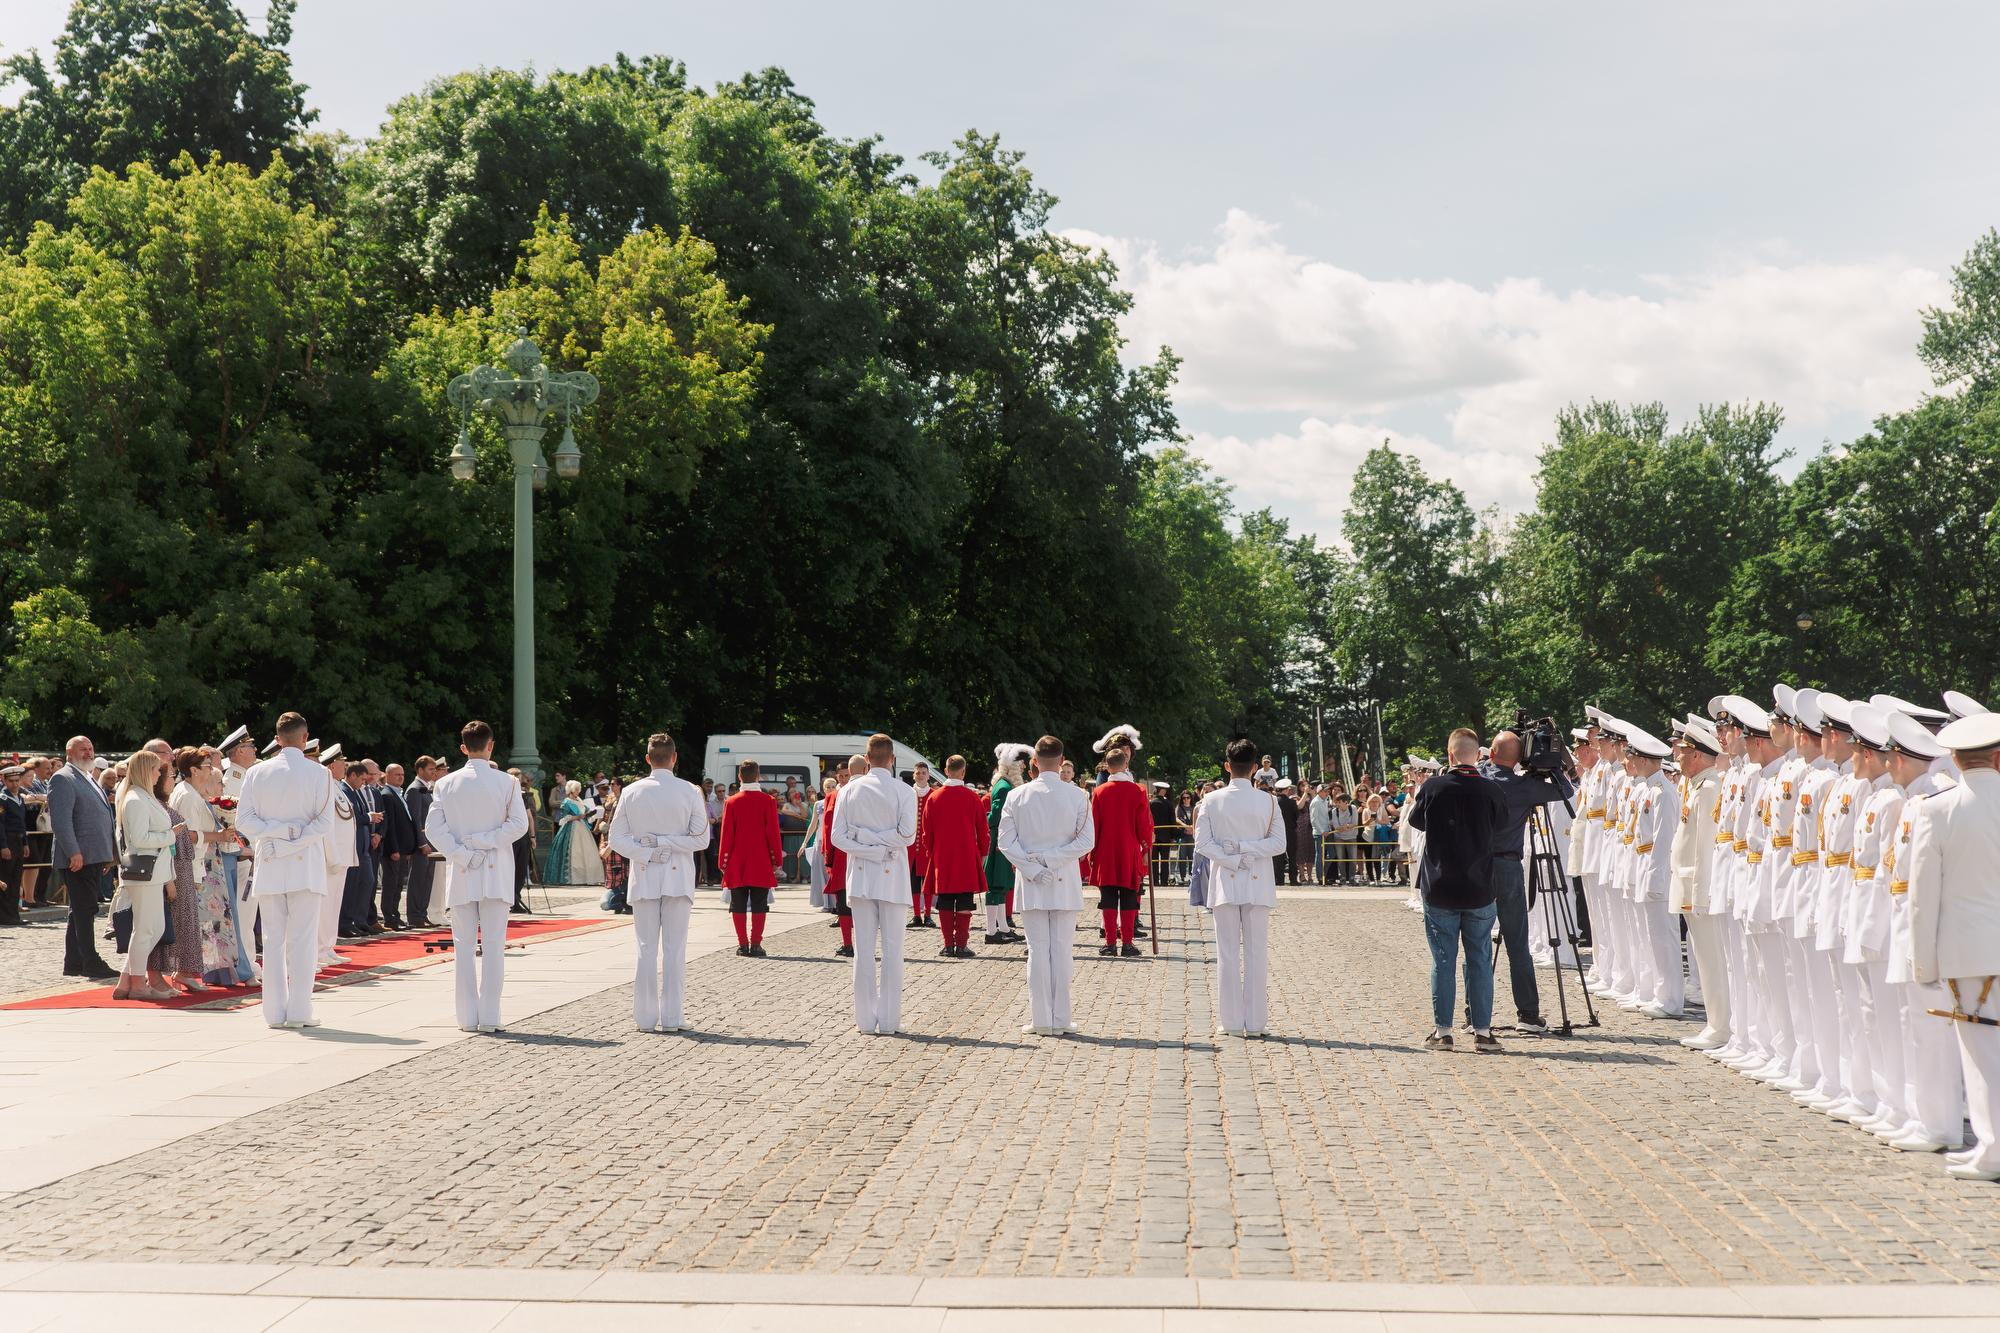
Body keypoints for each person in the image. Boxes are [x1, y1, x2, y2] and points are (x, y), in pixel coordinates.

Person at [1908, 710, 2000, 1180]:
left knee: (1982, 1055)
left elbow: (1923, 898)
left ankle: (1993, 1148)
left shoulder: (1937, 809)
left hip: (1971, 952)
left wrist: (1923, 963)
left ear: (1956, 760)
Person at [425, 721, 531, 1033]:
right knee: (495, 946)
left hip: (462, 870)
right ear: (491, 746)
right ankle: (490, 1016)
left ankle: (467, 1017)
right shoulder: (506, 783)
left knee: (464, 947)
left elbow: (433, 829)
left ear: (462, 748)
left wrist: (462, 850)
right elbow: (518, 825)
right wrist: (486, 841)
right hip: (494, 870)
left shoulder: (446, 784)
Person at [1408, 727, 1507, 1051]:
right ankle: (1482, 1030)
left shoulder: (1433, 787)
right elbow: (1501, 825)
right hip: (1479, 886)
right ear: (1477, 755)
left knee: (1443, 961)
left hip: (1441, 886)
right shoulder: (1490, 790)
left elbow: (1416, 822)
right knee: (1479, 959)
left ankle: (1443, 1031)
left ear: (1450, 755)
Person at [609, 733, 710, 1032]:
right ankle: (672, 1017)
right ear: (675, 757)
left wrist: (649, 851)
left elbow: (616, 839)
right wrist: (663, 847)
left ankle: (645, 1017)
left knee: (645, 947)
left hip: (645, 873)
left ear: (648, 759)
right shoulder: (689, 791)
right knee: (675, 948)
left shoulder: (632, 791)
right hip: (677, 875)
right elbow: (701, 839)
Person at [998, 735, 1095, 1036]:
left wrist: (1033, 865)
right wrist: (1052, 860)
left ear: (1035, 763)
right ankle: (1061, 1018)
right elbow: (1086, 841)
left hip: (1031, 879)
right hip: (1063, 878)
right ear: (1061, 759)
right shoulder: (1078, 796)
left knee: (1037, 950)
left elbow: (1004, 842)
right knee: (1062, 950)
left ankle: (1041, 1018)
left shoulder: (1017, 795)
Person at [1196, 738, 1291, 1037]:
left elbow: (1202, 844)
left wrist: (1233, 854)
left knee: (1226, 953)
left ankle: (1233, 1022)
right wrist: (1246, 853)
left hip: (1225, 879)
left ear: (1227, 766)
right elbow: (1278, 844)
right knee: (1256, 953)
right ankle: (1256, 1021)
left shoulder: (1211, 800)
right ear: (1254, 768)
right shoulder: (1269, 801)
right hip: (1258, 881)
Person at [831, 735, 918, 1033]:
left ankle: (866, 1021)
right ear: (892, 759)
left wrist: (866, 840)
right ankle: (890, 1020)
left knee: (864, 950)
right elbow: (906, 836)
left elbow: (838, 838)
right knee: (893, 951)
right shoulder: (904, 791)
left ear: (867, 759)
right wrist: (879, 847)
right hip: (891, 873)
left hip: (861, 874)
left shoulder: (848, 790)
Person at [48, 735, 118, 979]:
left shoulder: (88, 777)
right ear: (69, 753)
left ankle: (74, 962)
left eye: (90, 748)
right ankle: (91, 961)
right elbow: (61, 821)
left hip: (94, 855)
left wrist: (108, 853)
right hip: (79, 857)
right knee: (86, 909)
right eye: (82, 749)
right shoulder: (63, 778)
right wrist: (73, 851)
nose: (88, 753)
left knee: (79, 909)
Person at [1088, 727, 1152, 958]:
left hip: (1105, 850)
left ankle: (1110, 943)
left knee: (1107, 897)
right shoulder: (1138, 791)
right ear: (1125, 764)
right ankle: (1127, 943)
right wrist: (1146, 847)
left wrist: (1092, 852)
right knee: (1127, 896)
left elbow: (1094, 825)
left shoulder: (1099, 792)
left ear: (1107, 766)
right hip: (1129, 850)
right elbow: (1144, 826)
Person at [921, 754, 989, 958]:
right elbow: (983, 831)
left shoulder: (933, 797)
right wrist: (982, 853)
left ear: (946, 771)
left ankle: (948, 945)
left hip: (941, 856)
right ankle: (961, 945)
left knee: (945, 901)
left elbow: (926, 833)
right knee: (965, 902)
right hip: (967, 856)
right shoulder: (973, 797)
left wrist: (932, 852)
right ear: (964, 771)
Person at [719, 759, 783, 956]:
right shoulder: (768, 801)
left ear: (739, 776)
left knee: (737, 905)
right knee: (759, 903)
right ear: (758, 776)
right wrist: (776, 860)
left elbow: (726, 834)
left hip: (737, 861)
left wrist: (723, 861)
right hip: (761, 860)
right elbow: (772, 832)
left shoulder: (731, 802)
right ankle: (756, 944)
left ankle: (742, 945)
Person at [984, 744, 1031, 943]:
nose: (1022, 767)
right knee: (995, 884)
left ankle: (1002, 927)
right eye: (1020, 763)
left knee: (1002, 885)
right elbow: (995, 817)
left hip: (1002, 838)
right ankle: (991, 931)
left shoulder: (1004, 785)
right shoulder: (1004, 787)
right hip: (999, 840)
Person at [375, 762, 418, 929]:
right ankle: (389, 917)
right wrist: (393, 849)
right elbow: (390, 825)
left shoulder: (398, 794)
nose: (400, 777)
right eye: (396, 775)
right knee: (390, 884)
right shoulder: (387, 794)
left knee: (399, 884)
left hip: (403, 848)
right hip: (394, 849)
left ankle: (396, 915)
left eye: (402, 774)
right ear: (387, 776)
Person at [543, 780, 607, 886]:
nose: (578, 791)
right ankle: (574, 878)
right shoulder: (567, 802)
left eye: (579, 789)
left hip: (582, 827)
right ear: (571, 790)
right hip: (571, 828)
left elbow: (585, 813)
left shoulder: (580, 800)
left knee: (587, 852)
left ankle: (587, 877)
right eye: (576, 789)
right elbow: (563, 818)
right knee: (574, 852)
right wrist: (577, 817)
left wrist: (591, 813)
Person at [404, 757, 443, 928]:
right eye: (430, 769)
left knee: (427, 879)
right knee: (418, 880)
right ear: (420, 770)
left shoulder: (425, 788)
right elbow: (416, 818)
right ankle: (415, 916)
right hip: (422, 844)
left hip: (430, 842)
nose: (433, 772)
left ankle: (422, 913)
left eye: (434, 769)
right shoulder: (415, 789)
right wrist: (421, 843)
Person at [907, 759, 935, 929]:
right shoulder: (908, 793)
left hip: (927, 845)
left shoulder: (933, 794)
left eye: (923, 773)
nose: (920, 775)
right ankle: (916, 915)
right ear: (914, 775)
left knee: (928, 881)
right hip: (911, 846)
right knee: (913, 882)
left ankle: (928, 915)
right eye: (918, 772)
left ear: (928, 775)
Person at [0, 764, 27, 925]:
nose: (15, 784)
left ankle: (13, 914)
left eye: (17, 780)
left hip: (18, 841)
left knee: (16, 880)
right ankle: (4, 915)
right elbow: (1, 824)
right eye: (11, 781)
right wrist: (3, 846)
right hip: (7, 841)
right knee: (6, 879)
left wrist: (25, 842)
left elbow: (21, 823)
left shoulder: (19, 798)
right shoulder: (2, 799)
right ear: (4, 780)